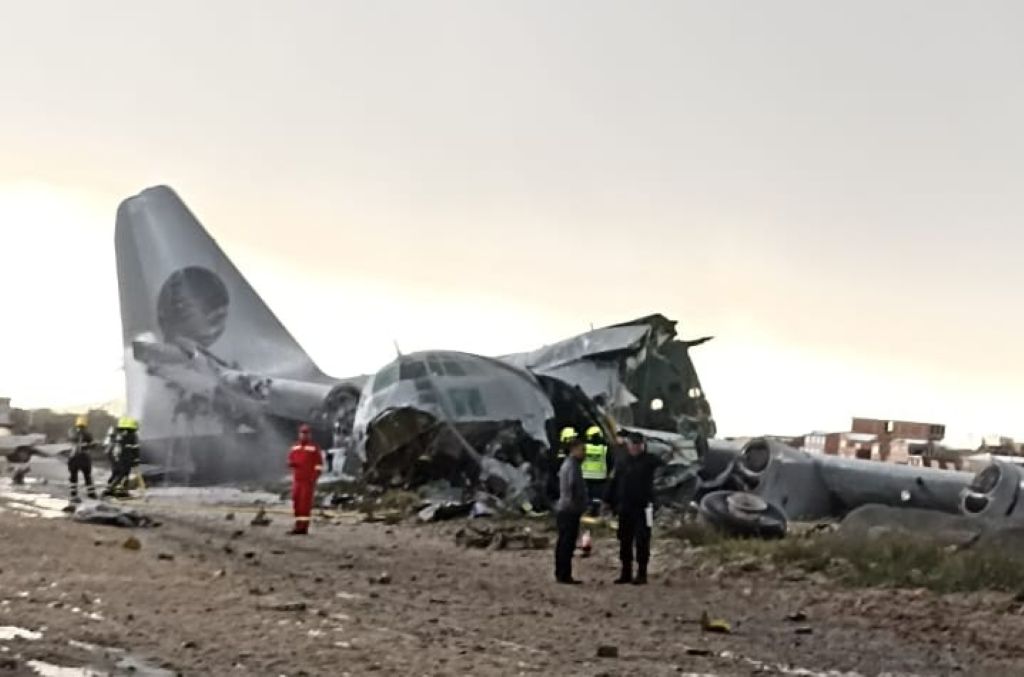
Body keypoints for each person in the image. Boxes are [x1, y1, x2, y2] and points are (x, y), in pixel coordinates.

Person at [605, 430, 661, 585]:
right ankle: (626, 572)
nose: (635, 447)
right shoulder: (622, 461)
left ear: (643, 445)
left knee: (642, 541)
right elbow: (615, 482)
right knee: (624, 540)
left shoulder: (651, 462)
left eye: (638, 444)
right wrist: (609, 502)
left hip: (643, 508)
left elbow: (661, 478)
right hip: (625, 507)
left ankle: (642, 573)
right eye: (632, 444)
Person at [554, 437, 588, 584]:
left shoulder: (566, 464)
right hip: (570, 509)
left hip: (564, 508)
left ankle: (561, 573)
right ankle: (564, 574)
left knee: (563, 542)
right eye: (582, 449)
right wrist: (580, 502)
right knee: (567, 543)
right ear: (574, 449)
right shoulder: (573, 465)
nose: (584, 453)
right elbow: (574, 486)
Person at [288, 424, 324, 535]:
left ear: (309, 435)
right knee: (296, 501)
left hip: (307, 481)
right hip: (297, 480)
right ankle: (298, 524)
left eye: (306, 433)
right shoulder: (295, 447)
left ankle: (303, 528)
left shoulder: (314, 448)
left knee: (304, 504)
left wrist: (314, 477)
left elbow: (319, 465)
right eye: (302, 433)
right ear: (299, 434)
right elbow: (290, 459)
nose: (304, 435)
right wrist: (291, 464)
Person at [105, 417, 141, 497]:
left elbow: (108, 447)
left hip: (115, 457)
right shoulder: (132, 435)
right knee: (124, 473)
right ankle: (121, 491)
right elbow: (135, 448)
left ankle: (109, 489)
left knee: (116, 473)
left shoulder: (116, 434)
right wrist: (136, 459)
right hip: (125, 457)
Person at [67, 415, 97, 504]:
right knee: (87, 476)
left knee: (73, 477)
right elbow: (93, 445)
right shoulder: (87, 433)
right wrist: (90, 445)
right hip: (84, 457)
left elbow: (71, 443)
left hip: (73, 457)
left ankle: (73, 495)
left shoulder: (71, 432)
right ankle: (91, 494)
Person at [581, 425, 611, 516]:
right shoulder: (604, 448)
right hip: (600, 477)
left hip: (586, 475)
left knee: (587, 495)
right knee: (597, 497)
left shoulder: (585, 447)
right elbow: (610, 461)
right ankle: (596, 511)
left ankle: (588, 510)